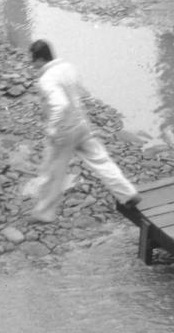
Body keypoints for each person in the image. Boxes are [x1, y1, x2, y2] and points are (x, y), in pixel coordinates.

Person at [28, 39, 141, 223]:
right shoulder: (68, 67)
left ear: (40, 60)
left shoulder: (46, 79)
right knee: (101, 159)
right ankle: (128, 193)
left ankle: (43, 213)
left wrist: (52, 128)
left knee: (54, 172)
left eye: (33, 60)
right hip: (81, 123)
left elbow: (60, 104)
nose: (32, 65)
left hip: (64, 131)